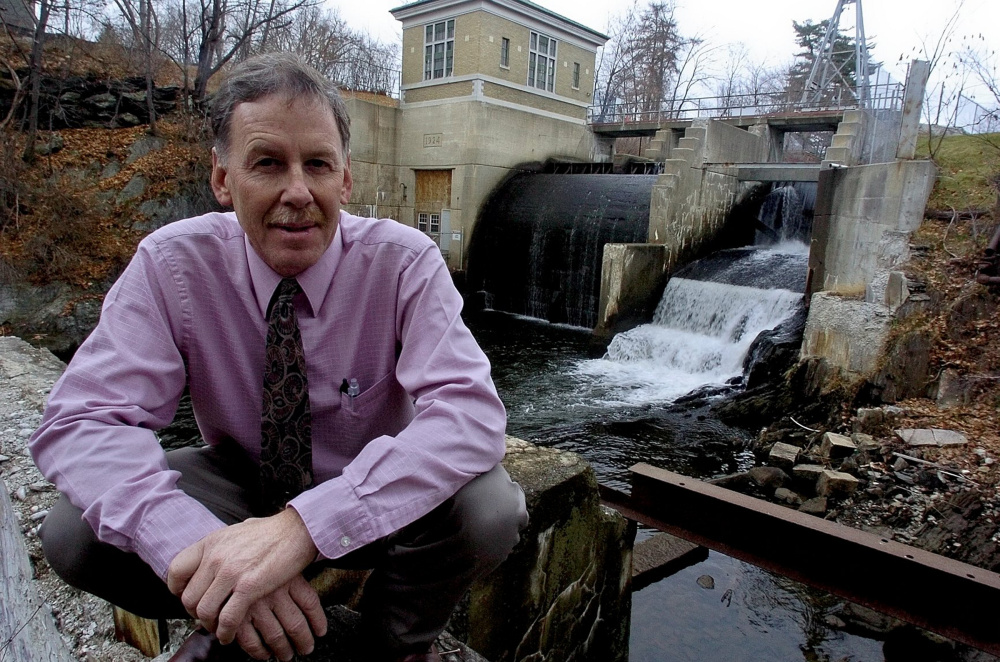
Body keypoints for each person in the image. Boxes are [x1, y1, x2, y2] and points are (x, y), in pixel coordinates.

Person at [29, 52, 528, 662]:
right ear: (223, 179)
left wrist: (305, 527)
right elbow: (81, 421)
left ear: (345, 180)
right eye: (267, 163)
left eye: (317, 164)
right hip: (241, 486)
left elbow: (471, 413)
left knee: (490, 508)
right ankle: (243, 621)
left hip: (370, 491)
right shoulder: (172, 265)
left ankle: (388, 644)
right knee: (73, 532)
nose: (298, 191)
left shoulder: (404, 263)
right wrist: (205, 552)